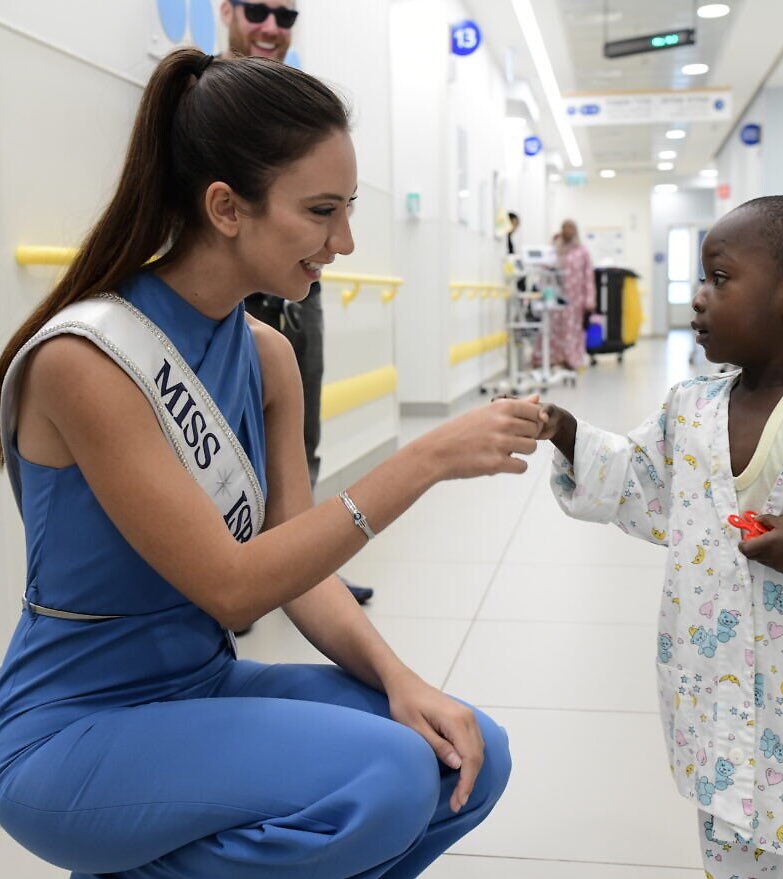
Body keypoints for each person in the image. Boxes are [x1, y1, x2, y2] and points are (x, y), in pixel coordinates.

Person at [0, 48, 535, 878]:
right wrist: (423, 460)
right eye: (322, 211)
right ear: (226, 207)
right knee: (385, 778)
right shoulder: (89, 360)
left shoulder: (268, 355)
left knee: (468, 749)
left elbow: (295, 571)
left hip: (200, 691)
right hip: (71, 729)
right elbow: (235, 585)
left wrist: (399, 678)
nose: (345, 240)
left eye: (348, 209)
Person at [537, 193, 783, 878]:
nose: (698, 298)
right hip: (721, 693)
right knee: (733, 831)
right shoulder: (690, 409)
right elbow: (641, 481)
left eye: (719, 279)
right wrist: (570, 432)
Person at [220, 0, 374, 606]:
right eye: (258, 10)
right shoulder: (199, 110)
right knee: (222, 442)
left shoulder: (302, 105)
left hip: (294, 296)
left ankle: (305, 568)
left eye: (286, 17)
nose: (271, 28)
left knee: (300, 430)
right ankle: (238, 574)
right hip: (230, 302)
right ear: (227, 10)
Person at [534, 219, 595, 371]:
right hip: (554, 297)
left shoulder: (582, 251)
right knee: (552, 329)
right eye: (564, 228)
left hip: (575, 300)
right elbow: (544, 271)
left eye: (570, 228)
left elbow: (588, 276)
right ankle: (552, 359)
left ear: (575, 230)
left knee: (572, 331)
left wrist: (590, 299)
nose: (566, 231)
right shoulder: (554, 248)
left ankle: (571, 360)